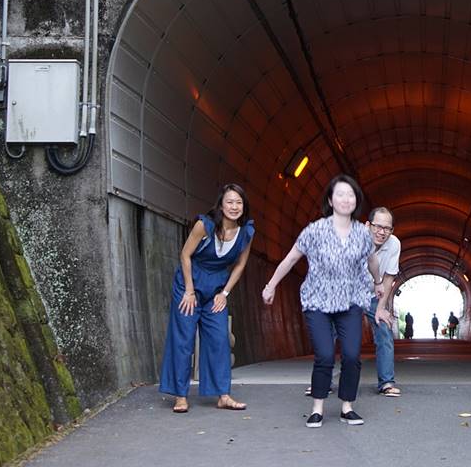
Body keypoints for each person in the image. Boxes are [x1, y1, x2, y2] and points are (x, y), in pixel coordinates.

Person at [262, 175, 388, 428]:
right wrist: (271, 285)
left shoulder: (362, 234)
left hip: (350, 301)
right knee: (325, 355)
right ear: (330, 200)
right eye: (340, 194)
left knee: (351, 355)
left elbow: (372, 261)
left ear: (356, 200)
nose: (345, 199)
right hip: (318, 301)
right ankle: (317, 407)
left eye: (350, 195)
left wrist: (377, 282)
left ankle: (347, 407)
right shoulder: (314, 230)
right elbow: (291, 258)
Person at [159, 183, 255, 413]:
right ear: (221, 205)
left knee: (219, 338)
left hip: (216, 288)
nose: (234, 207)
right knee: (183, 339)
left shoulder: (246, 232)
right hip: (190, 283)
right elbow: (185, 254)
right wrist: (189, 290)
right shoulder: (205, 225)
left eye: (239, 202)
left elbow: (240, 265)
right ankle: (180, 396)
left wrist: (225, 293)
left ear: (244, 206)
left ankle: (223, 395)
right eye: (230, 202)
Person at [367, 207, 402, 397]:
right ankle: (322, 382)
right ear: (368, 225)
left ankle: (386, 382)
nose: (382, 232)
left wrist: (381, 308)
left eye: (387, 228)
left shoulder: (394, 244)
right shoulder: (353, 239)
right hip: (347, 293)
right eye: (377, 227)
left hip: (374, 294)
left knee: (384, 330)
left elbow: (389, 278)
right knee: (331, 331)